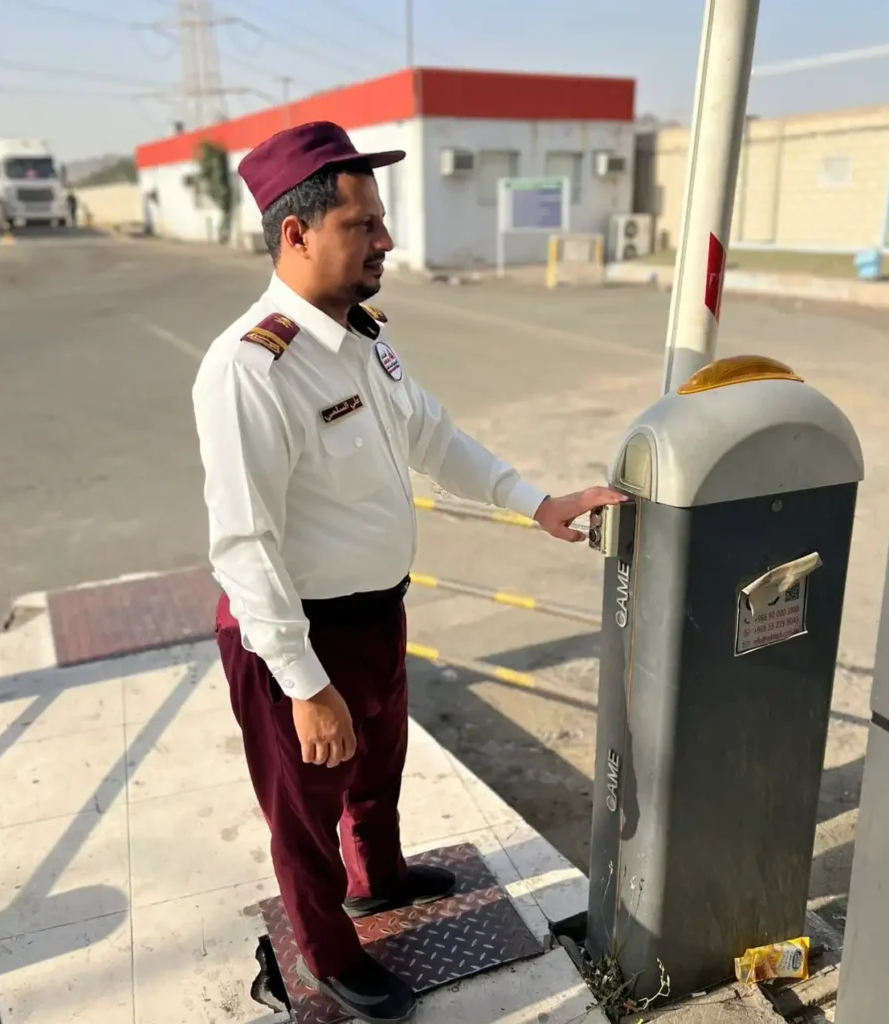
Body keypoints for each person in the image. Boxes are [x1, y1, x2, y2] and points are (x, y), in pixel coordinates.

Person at [191, 120, 624, 1023]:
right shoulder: (251, 369)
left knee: (375, 769)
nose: (386, 240)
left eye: (381, 221)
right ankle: (328, 950)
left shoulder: (364, 338)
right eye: (364, 225)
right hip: (298, 635)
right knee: (304, 811)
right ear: (296, 234)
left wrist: (535, 501)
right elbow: (243, 545)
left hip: (376, 615)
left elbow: (434, 438)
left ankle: (379, 879)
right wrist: (305, 685)